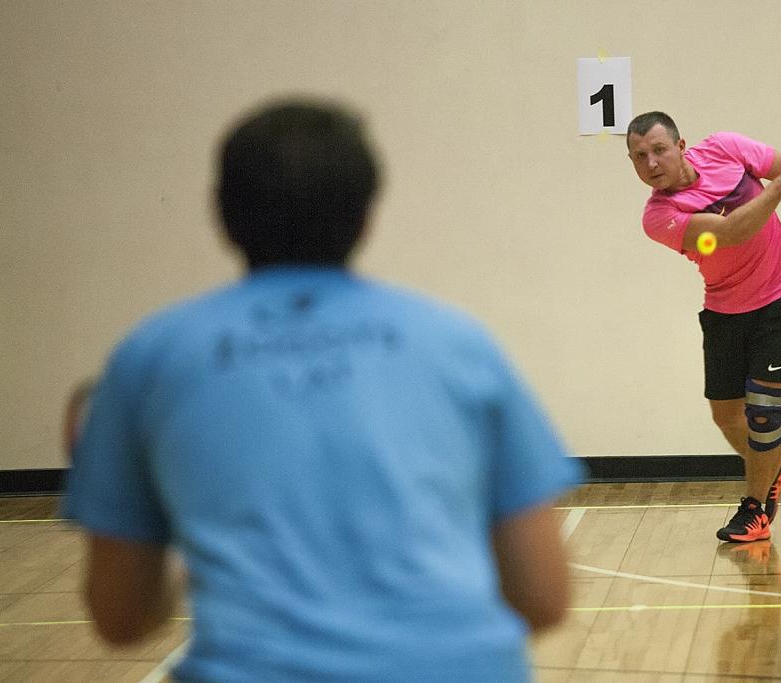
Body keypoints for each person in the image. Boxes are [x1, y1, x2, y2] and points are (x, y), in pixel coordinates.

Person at [64, 97, 582, 681]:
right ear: (367, 215)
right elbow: (544, 599)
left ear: (221, 212)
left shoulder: (151, 357)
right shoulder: (460, 343)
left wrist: (186, 558)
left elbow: (120, 621)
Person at [625, 111, 781, 543]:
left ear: (681, 147)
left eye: (659, 150)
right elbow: (731, 233)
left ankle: (755, 510)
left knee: (763, 411)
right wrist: (777, 184)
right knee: (725, 415)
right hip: (724, 309)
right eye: (639, 157)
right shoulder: (659, 216)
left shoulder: (725, 148)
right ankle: (773, 466)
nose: (652, 164)